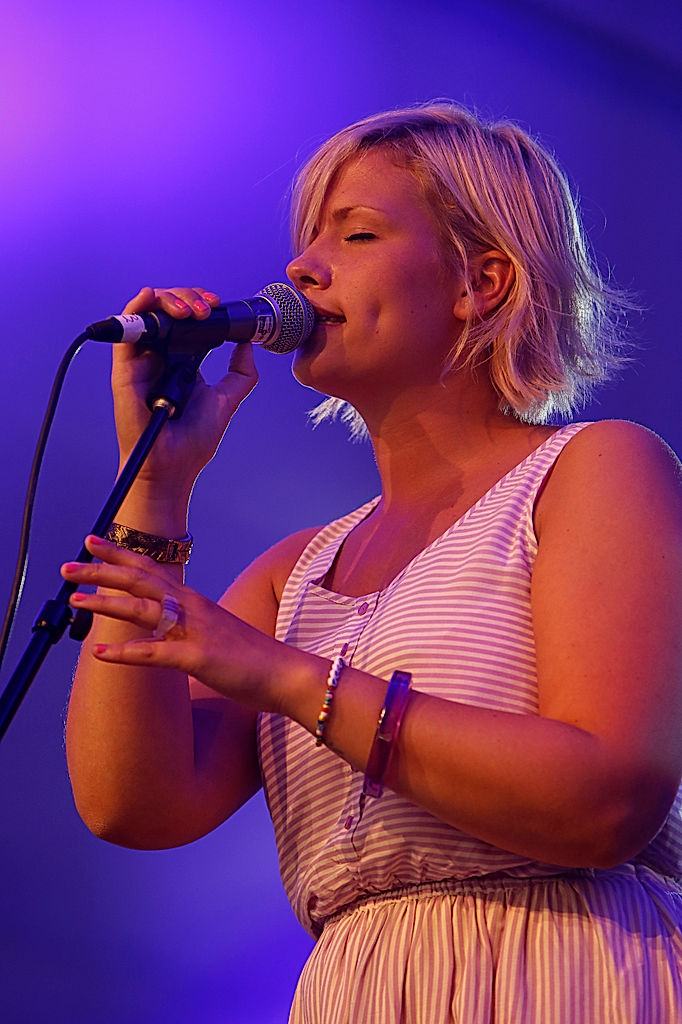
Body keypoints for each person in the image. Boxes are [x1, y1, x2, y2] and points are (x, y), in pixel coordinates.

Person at [63, 103, 682, 1023]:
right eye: (306, 241)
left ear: (482, 281)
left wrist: (277, 673)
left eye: (355, 233)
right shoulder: (293, 573)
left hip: (562, 970)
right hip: (360, 989)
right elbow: (136, 805)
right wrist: (152, 486)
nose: (302, 269)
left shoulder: (595, 469)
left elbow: (606, 797)